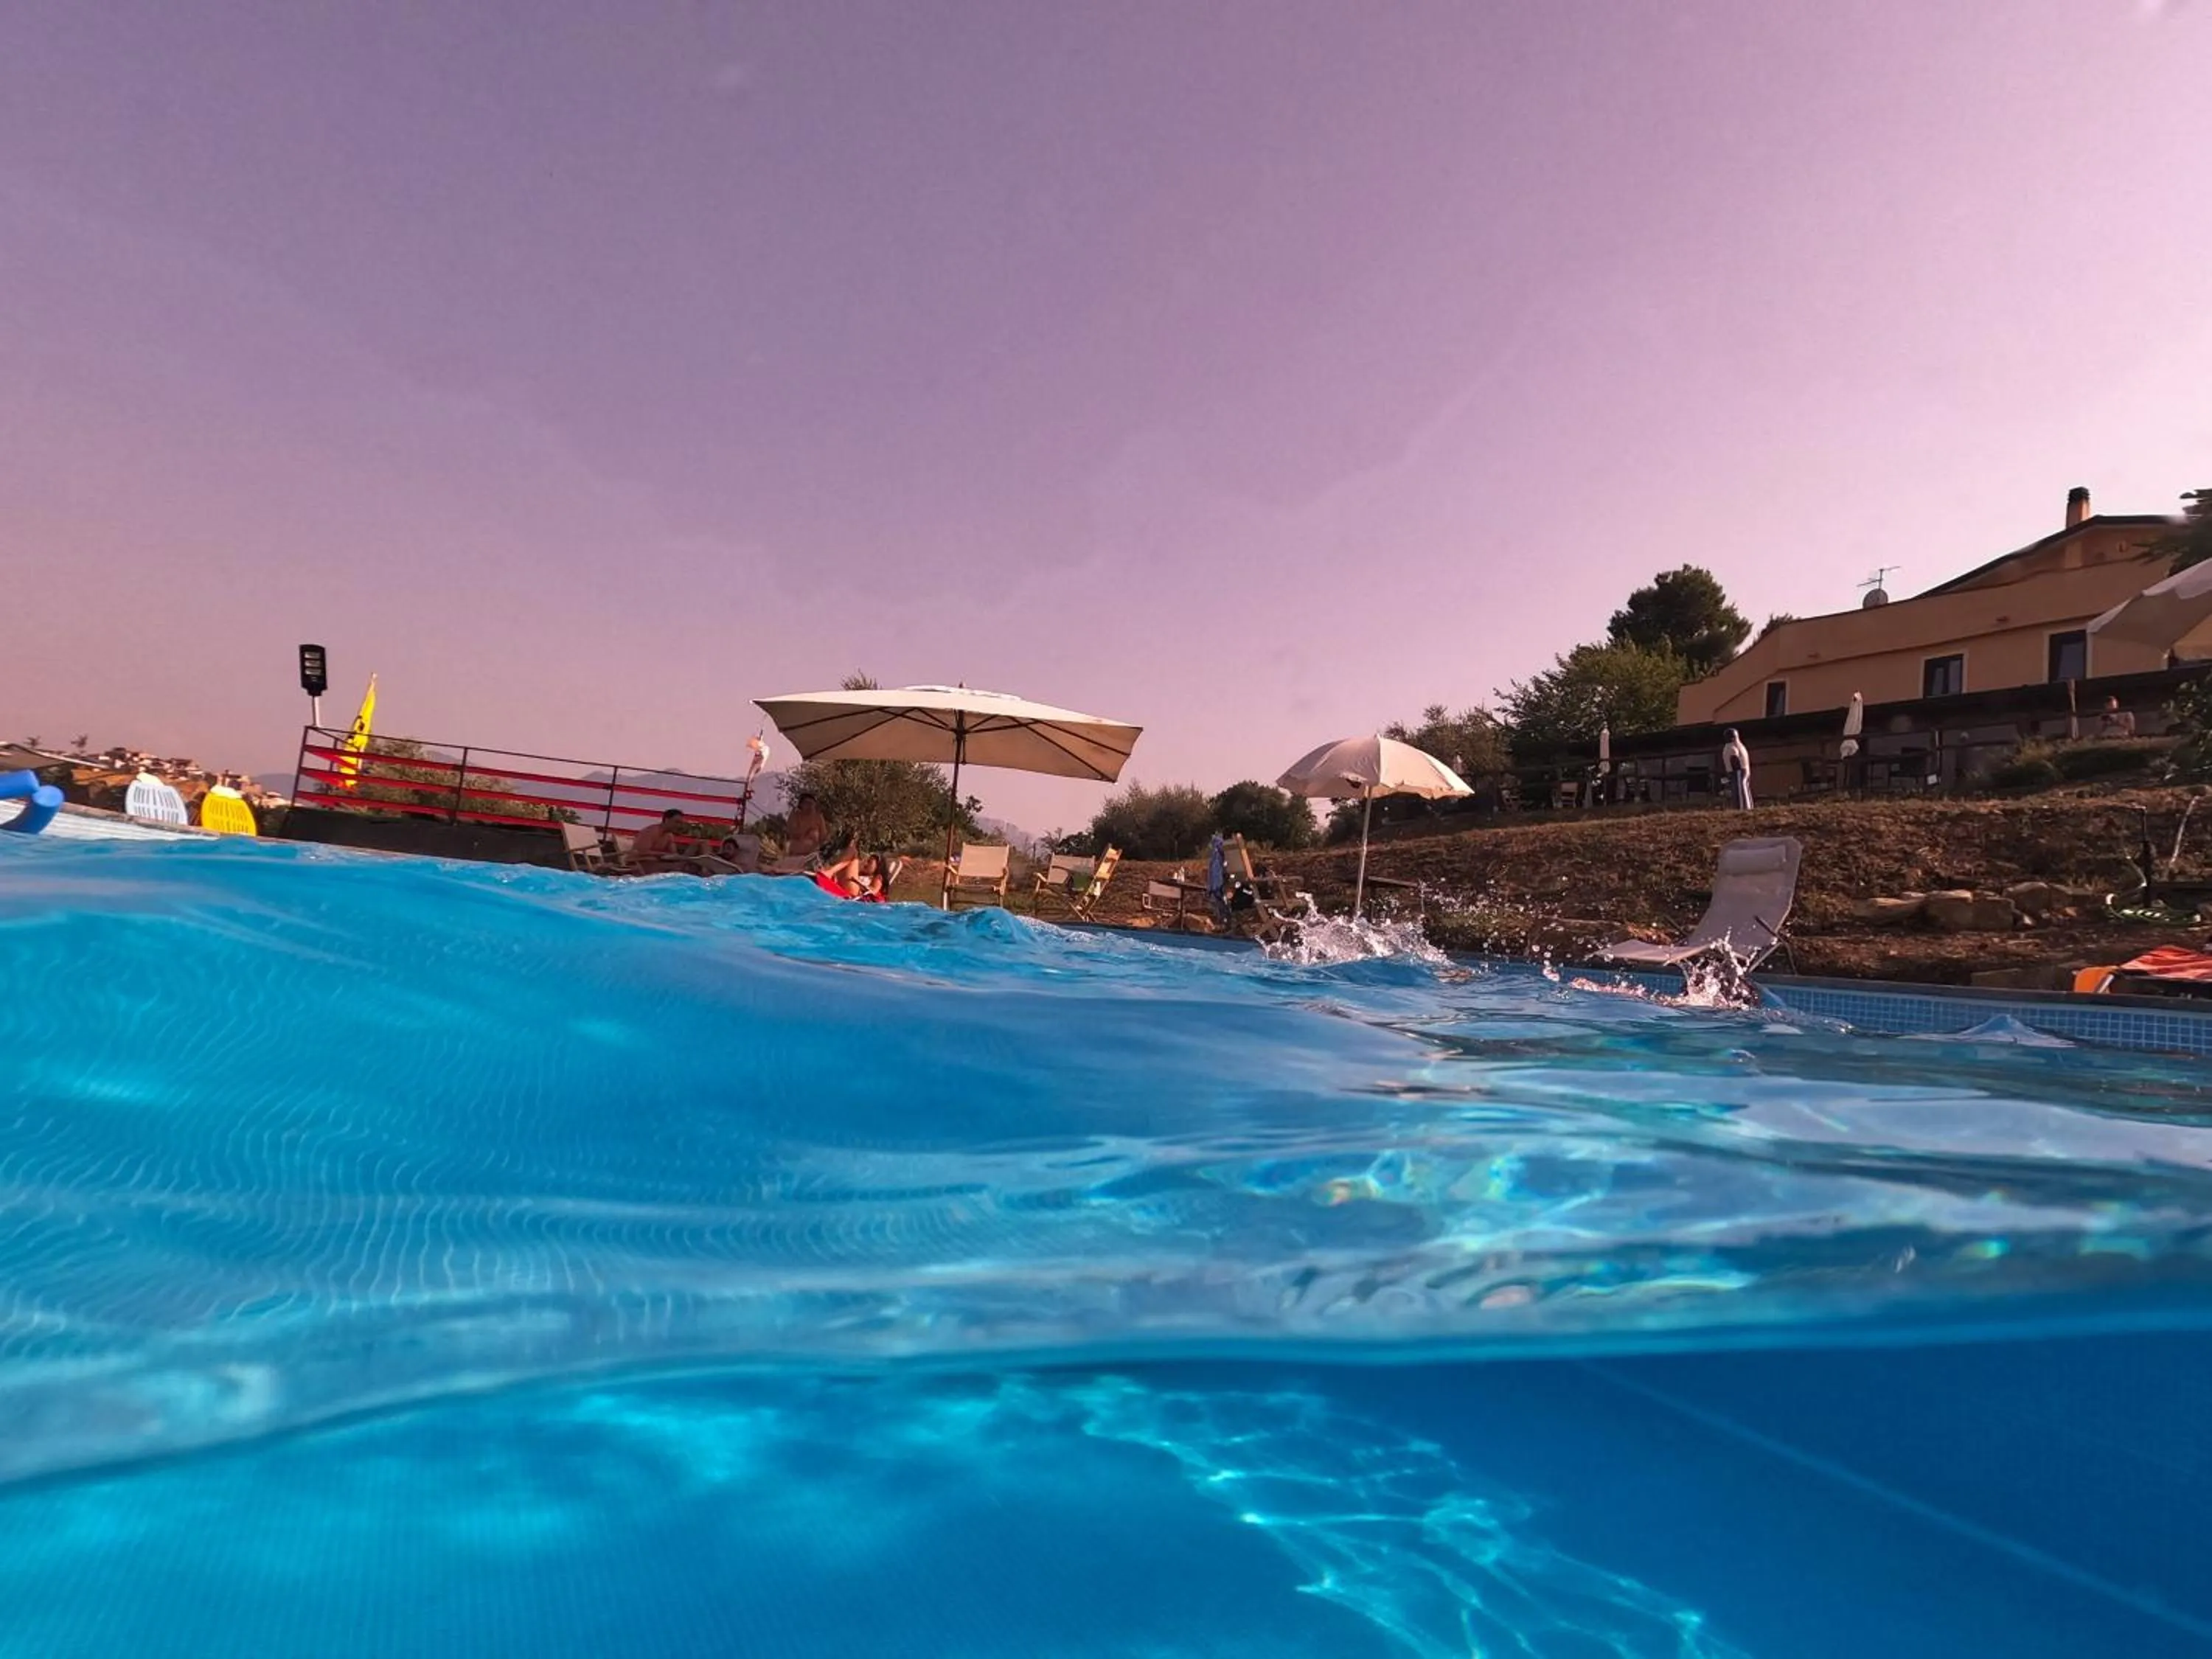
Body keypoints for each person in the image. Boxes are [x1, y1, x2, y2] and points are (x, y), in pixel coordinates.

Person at [785, 792, 828, 862]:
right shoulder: (795, 815)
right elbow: (793, 833)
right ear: (801, 805)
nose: (810, 806)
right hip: (796, 855)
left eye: (812, 804)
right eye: (807, 803)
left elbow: (823, 837)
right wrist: (809, 830)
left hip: (812, 856)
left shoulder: (818, 817)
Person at [1720, 728, 1754, 810]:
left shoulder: (1731, 746)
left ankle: (1742, 807)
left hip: (1737, 771)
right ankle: (1747, 806)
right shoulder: (1740, 745)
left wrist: (1734, 770)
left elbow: (1734, 757)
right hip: (1743, 769)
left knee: (1740, 788)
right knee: (1744, 787)